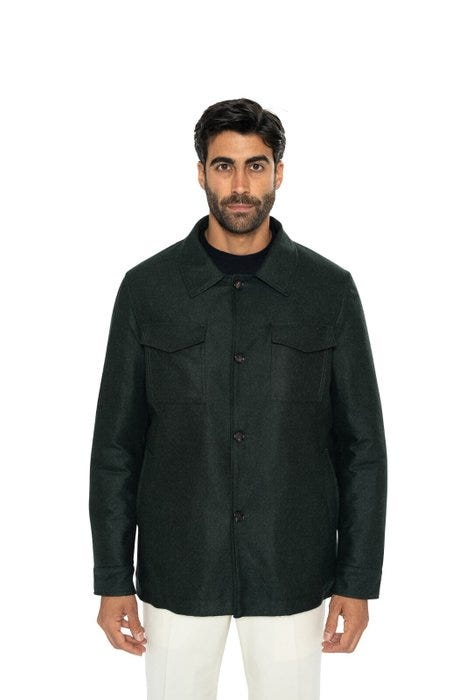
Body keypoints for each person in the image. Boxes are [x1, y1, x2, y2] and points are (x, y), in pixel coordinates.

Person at [88, 97, 388, 700]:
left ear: (279, 173)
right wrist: (112, 576)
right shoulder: (147, 289)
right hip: (179, 567)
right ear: (201, 172)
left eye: (257, 166)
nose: (241, 186)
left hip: (290, 567)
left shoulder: (328, 291)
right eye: (224, 166)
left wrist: (356, 580)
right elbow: (116, 446)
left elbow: (362, 449)